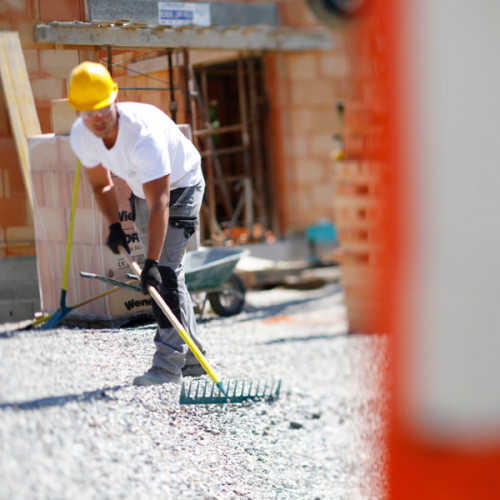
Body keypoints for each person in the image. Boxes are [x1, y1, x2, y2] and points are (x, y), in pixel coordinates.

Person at [67, 61, 206, 386]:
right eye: (88, 113)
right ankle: (194, 358)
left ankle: (167, 366)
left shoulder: (142, 133)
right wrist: (114, 225)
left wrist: (153, 264)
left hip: (182, 184)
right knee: (171, 275)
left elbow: (161, 204)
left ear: (114, 99)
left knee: (165, 274)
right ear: (79, 113)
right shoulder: (82, 136)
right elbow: (102, 185)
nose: (97, 119)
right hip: (145, 190)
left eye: (102, 109)